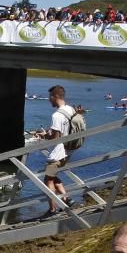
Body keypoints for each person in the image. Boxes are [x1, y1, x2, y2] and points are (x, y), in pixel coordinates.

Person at [42, 85, 75, 215]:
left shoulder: (56, 115)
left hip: (57, 153)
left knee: (48, 180)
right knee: (53, 177)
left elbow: (54, 137)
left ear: (55, 97)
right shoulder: (70, 109)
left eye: (50, 97)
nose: (49, 100)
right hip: (68, 151)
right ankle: (67, 200)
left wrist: (44, 135)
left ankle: (53, 209)